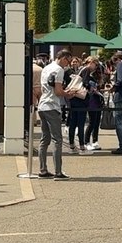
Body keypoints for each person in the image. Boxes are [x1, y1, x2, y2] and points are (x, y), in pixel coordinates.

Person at [38, 50, 77, 179]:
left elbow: (44, 88)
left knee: (45, 139)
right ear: (63, 58)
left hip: (42, 105)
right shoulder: (59, 70)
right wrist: (68, 93)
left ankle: (43, 169)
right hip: (52, 106)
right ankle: (58, 172)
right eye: (68, 61)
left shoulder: (46, 68)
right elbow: (58, 91)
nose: (68, 64)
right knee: (57, 140)